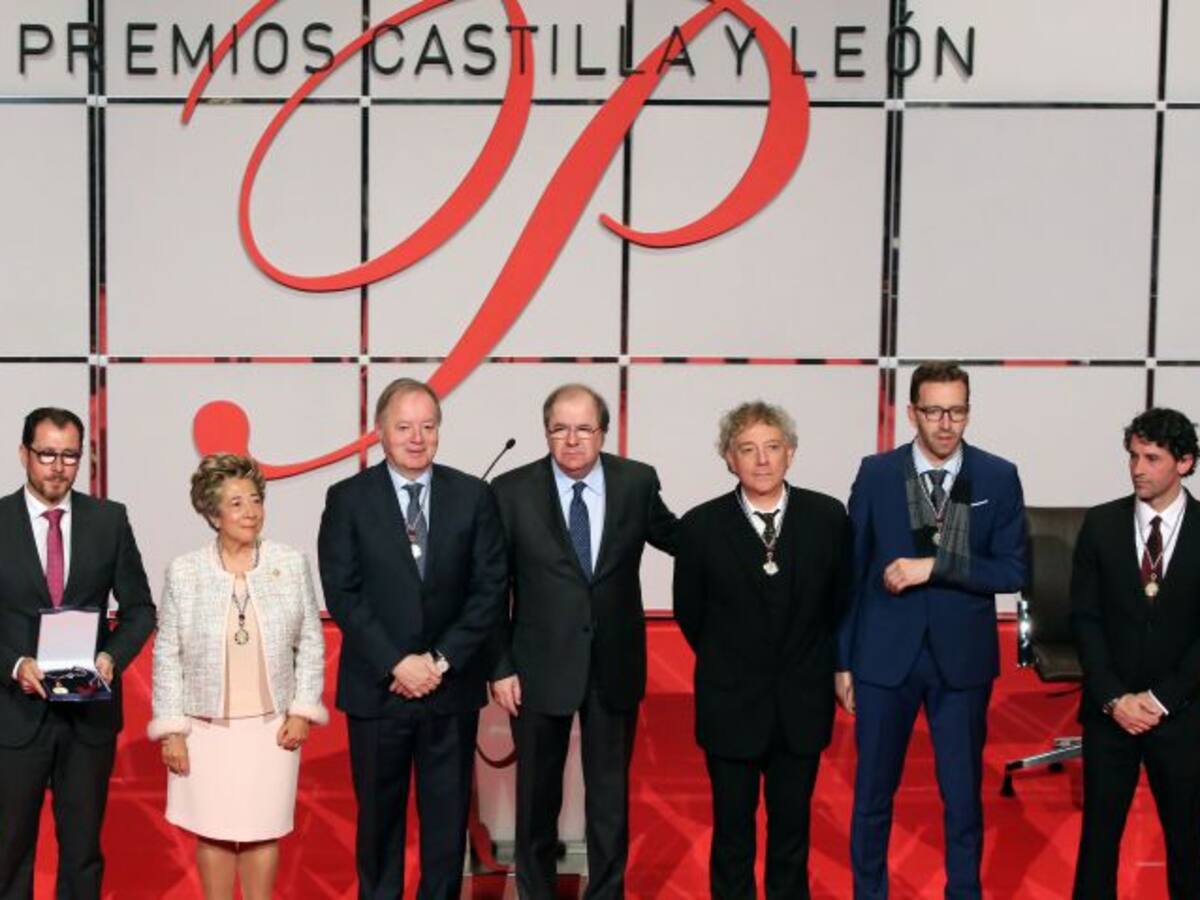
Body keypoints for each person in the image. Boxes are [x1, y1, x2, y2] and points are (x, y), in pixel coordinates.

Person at [835, 362, 1027, 900]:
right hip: (883, 657)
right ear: (912, 413)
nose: (946, 424)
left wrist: (935, 566)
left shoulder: (997, 475)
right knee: (872, 796)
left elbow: (1013, 570)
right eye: (935, 411)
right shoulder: (877, 473)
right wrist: (842, 660)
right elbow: (851, 573)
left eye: (957, 411)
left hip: (961, 661)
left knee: (963, 798)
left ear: (969, 411)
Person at [318, 377, 507, 900]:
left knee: (447, 828)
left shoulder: (473, 496)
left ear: (439, 431)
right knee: (379, 826)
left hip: (451, 691)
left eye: (427, 426)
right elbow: (343, 592)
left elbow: (489, 589)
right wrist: (397, 662)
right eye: (404, 427)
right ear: (380, 431)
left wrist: (439, 661)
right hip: (378, 691)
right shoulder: (348, 498)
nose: (416, 438)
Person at [489, 383, 677, 900]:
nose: (572, 440)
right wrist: (500, 665)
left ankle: (607, 893)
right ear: (546, 432)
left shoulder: (636, 482)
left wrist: (744, 534)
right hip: (536, 667)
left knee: (609, 803)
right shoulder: (510, 491)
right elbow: (492, 588)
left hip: (613, 665)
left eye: (584, 429)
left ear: (604, 432)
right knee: (536, 800)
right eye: (560, 429)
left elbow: (682, 540)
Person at [674, 401, 849, 900]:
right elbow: (690, 613)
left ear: (790, 453)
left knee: (792, 834)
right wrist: (733, 661)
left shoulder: (827, 517)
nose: (763, 460)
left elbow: (840, 600)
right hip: (730, 703)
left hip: (802, 702)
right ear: (729, 459)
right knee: (733, 835)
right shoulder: (701, 526)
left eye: (773, 447)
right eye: (748, 449)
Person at [148, 453, 327, 900]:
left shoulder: (290, 563)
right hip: (205, 729)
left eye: (255, 500)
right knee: (214, 832)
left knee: (263, 830)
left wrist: (302, 710)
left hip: (272, 726)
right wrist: (172, 731)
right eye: (236, 503)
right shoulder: (185, 572)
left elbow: (311, 641)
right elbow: (167, 654)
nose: (250, 512)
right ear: (213, 514)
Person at [0, 407, 155, 899]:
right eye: (47, 454)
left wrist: (111, 658)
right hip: (13, 715)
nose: (58, 467)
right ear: (24, 454)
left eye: (69, 456)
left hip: (88, 715)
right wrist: (14, 665)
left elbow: (140, 610)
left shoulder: (109, 520)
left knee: (83, 854)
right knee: (8, 854)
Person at [1070, 407, 1200, 899]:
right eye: (1133, 456)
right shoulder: (1101, 524)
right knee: (1098, 844)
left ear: (1184, 462)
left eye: (1152, 458)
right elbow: (1084, 619)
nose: (1137, 469)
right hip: (1111, 714)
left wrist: (1162, 699)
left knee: (1189, 846)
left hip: (1183, 715)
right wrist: (1113, 698)